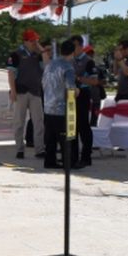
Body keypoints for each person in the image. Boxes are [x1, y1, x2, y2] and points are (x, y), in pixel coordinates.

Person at [8, 29, 46, 160]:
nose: (35, 42)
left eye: (36, 40)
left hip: (35, 91)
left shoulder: (38, 54)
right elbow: (11, 74)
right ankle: (19, 149)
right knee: (19, 122)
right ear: (25, 41)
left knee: (39, 122)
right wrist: (12, 91)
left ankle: (40, 149)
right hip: (20, 92)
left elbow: (47, 65)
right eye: (32, 40)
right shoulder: (16, 54)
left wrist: (40, 49)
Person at [42, 39, 79, 169]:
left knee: (50, 138)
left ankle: (50, 161)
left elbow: (44, 83)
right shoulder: (68, 67)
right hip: (61, 108)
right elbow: (70, 89)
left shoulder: (50, 65)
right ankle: (69, 162)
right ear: (73, 52)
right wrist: (77, 91)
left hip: (47, 106)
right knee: (66, 138)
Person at [71, 35, 99, 168]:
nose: (73, 49)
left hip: (83, 94)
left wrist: (78, 79)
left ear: (81, 46)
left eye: (75, 46)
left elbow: (94, 81)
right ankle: (73, 157)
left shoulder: (88, 61)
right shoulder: (69, 59)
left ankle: (86, 157)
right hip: (70, 95)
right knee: (72, 127)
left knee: (83, 126)